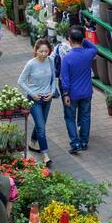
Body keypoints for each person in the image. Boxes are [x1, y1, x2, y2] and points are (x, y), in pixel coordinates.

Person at [57, 25, 97, 155]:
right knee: (85, 116)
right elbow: (94, 48)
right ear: (82, 39)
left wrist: (66, 93)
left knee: (70, 118)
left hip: (72, 94)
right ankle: (84, 141)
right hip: (86, 92)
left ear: (69, 40)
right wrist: (83, 39)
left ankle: (75, 143)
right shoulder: (88, 53)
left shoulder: (67, 58)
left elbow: (65, 79)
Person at [18, 39, 56, 166]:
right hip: (35, 99)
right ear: (35, 51)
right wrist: (32, 94)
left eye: (46, 51)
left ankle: (33, 142)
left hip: (47, 98)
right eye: (41, 51)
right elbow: (21, 81)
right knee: (41, 127)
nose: (44, 54)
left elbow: (53, 78)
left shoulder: (50, 61)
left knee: (41, 124)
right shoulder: (31, 64)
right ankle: (45, 154)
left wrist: (52, 92)